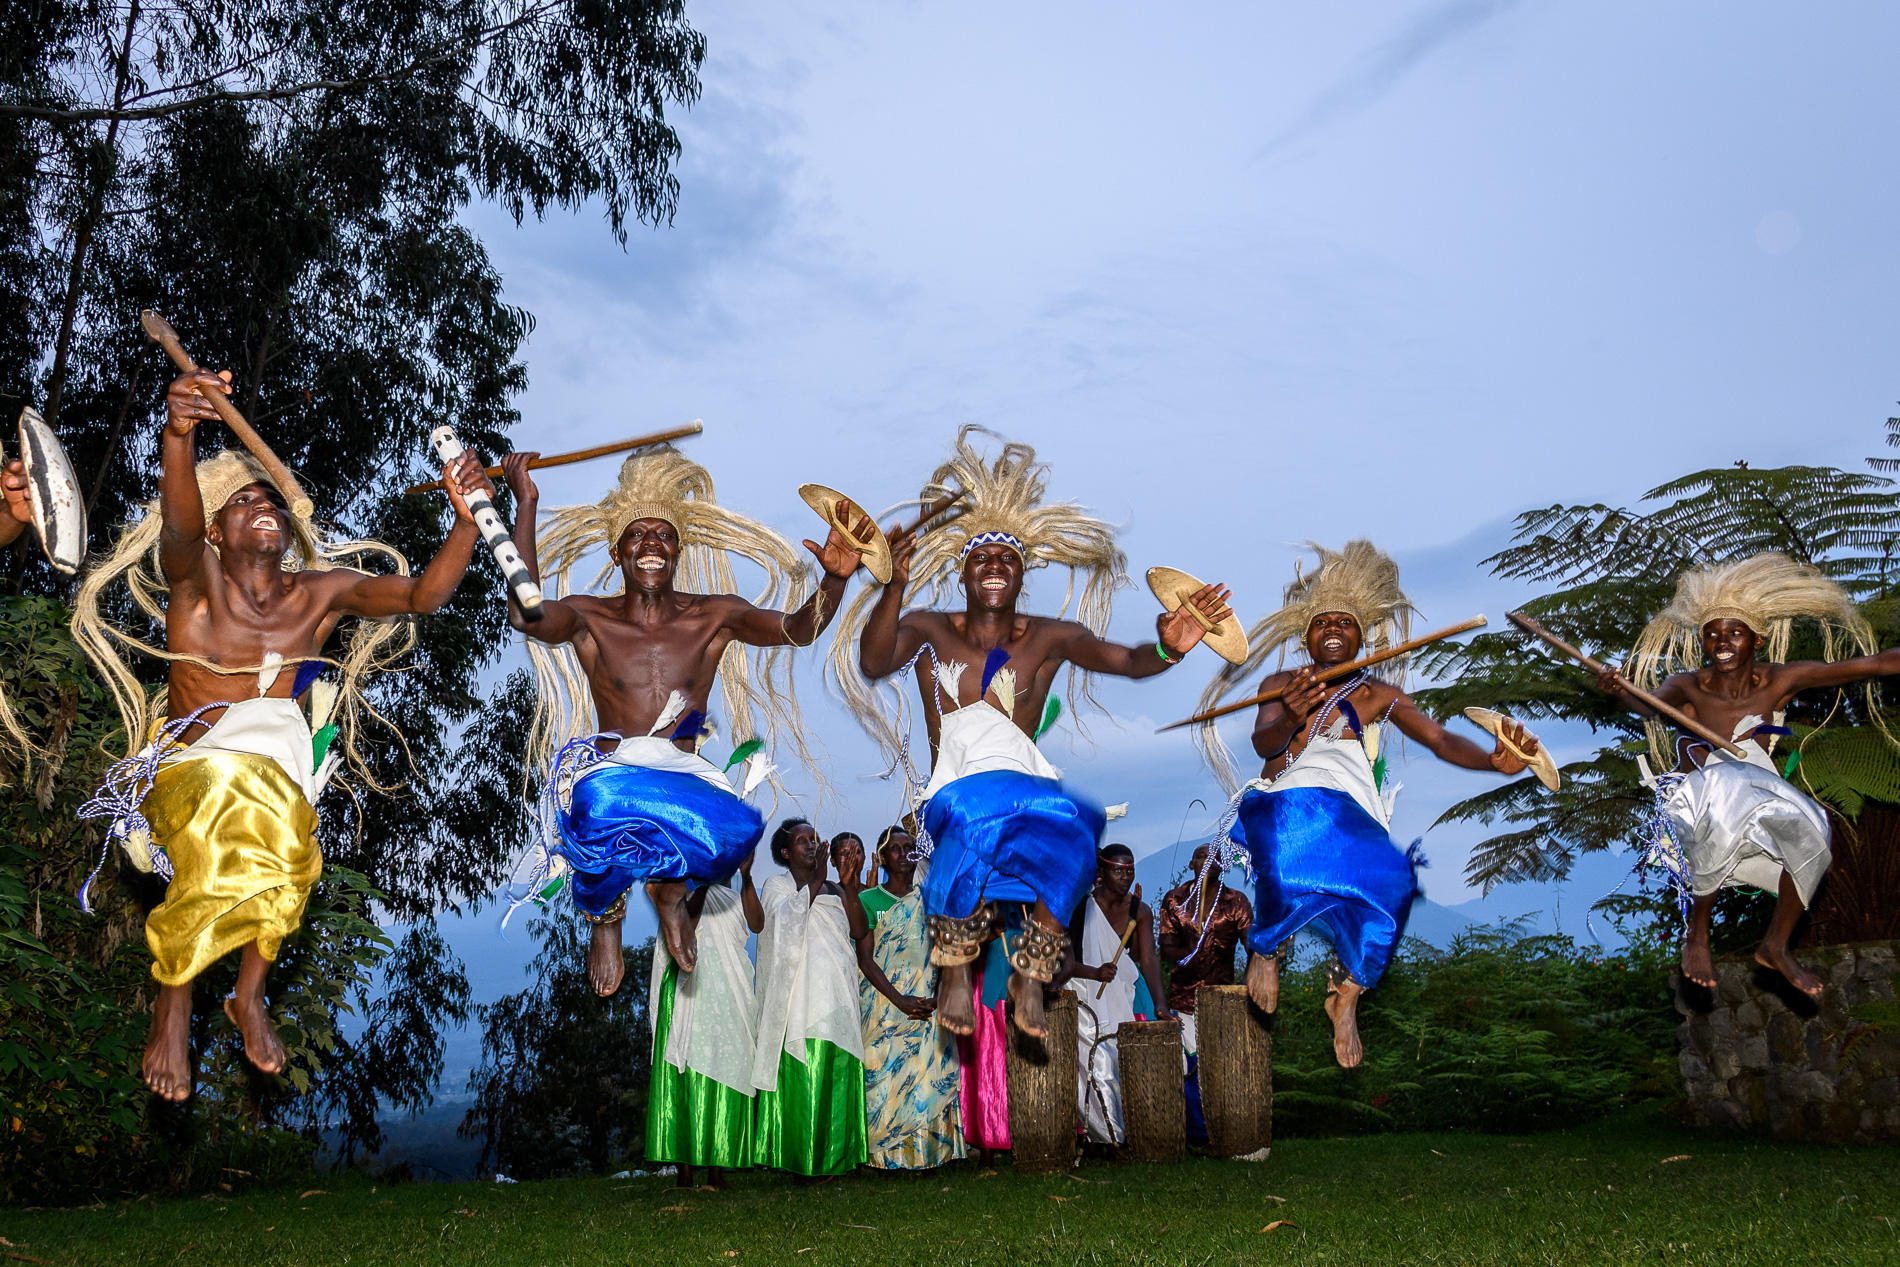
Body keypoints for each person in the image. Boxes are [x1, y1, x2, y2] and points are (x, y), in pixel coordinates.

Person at [74, 367, 489, 1101]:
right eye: (242, 501)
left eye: (270, 498)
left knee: (296, 862)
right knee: (239, 798)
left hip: (280, 785)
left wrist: (466, 517)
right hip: (192, 776)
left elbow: (424, 595)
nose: (261, 506)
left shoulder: (321, 592)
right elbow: (174, 524)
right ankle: (175, 992)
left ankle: (247, 993)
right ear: (217, 528)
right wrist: (178, 431)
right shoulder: (194, 578)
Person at [838, 427, 1231, 1038]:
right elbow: (873, 660)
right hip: (958, 792)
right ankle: (955, 976)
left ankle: (1031, 975)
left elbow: (1126, 660)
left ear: (1022, 575)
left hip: (1025, 793)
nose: (994, 566)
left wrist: (1170, 649)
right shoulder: (928, 627)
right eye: (981, 557)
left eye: (1007, 559)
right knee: (960, 853)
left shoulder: (1047, 638)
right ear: (963, 571)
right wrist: (892, 584)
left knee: (1080, 833)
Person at [498, 445, 877, 994]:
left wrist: (836, 582)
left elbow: (797, 629)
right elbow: (524, 611)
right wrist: (526, 502)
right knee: (595, 807)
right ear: (617, 550)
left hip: (684, 768)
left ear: (678, 550)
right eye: (638, 535)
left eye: (664, 535)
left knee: (739, 830)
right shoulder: (589, 615)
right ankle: (605, 916)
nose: (651, 544)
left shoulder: (714, 614)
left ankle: (671, 895)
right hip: (614, 769)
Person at [1193, 541, 1538, 1068]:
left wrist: (1494, 763)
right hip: (1287, 800)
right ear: (1305, 635)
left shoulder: (1379, 693)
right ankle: (1265, 948)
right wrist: (1289, 713)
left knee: (1397, 881)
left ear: (1361, 634)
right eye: (1321, 621)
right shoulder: (1282, 684)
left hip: (1350, 809)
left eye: (1345, 621)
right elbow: (1265, 745)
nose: (1333, 627)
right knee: (1286, 852)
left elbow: (1442, 741)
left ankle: (1348, 989)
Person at [1597, 553, 1900, 997]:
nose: (1722, 641)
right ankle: (1697, 936)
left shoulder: (1779, 680)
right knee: (1726, 783)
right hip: (1698, 795)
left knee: (1814, 826)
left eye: (1734, 632)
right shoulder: (1687, 686)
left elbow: (1871, 665)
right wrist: (1622, 691)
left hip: (1759, 792)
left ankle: (1776, 945)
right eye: (1713, 633)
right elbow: (1649, 703)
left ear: (1756, 640)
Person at [750, 819, 870, 1178]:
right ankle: (797, 1159)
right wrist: (817, 878)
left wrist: (848, 887)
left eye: (814, 839)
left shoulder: (835, 886)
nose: (811, 845)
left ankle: (836, 1161)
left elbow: (860, 930)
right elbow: (782, 922)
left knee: (833, 1074)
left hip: (835, 999)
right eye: (802, 841)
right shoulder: (775, 885)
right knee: (802, 1078)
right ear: (786, 853)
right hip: (796, 1004)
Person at [645, 850, 764, 1190]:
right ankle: (684, 1171)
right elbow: (687, 927)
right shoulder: (684, 895)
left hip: (730, 992)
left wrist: (747, 875)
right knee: (687, 1071)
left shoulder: (736, 891)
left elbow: (756, 924)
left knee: (726, 1069)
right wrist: (703, 886)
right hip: (693, 989)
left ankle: (716, 1170)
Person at [855, 824, 964, 1170]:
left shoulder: (930, 898)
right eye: (896, 850)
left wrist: (938, 993)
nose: (904, 855)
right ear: (882, 858)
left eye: (909, 848)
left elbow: (945, 949)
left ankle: (929, 1155)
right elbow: (864, 958)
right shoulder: (867, 901)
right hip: (883, 1004)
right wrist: (899, 999)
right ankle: (884, 1158)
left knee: (928, 1075)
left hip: (927, 1001)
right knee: (882, 1073)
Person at [1065, 844, 1171, 1145]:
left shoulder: (1140, 910)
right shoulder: (1080, 906)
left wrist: (1161, 1005)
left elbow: (1149, 959)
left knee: (1121, 1060)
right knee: (1099, 1064)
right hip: (1085, 995)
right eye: (1118, 870)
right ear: (1102, 872)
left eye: (1130, 870)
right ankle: (1108, 1135)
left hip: (1122, 995)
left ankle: (1128, 1131)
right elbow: (1067, 964)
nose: (1125, 876)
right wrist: (1094, 972)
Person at [1155, 843, 1251, 1143]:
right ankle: (1197, 1134)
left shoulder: (1236, 902)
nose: (1207, 861)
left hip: (1222, 999)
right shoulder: (1176, 900)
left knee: (1221, 1065)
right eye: (1200, 856)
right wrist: (1189, 947)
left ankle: (1223, 1130)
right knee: (1189, 1068)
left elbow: (1254, 949)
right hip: (1183, 999)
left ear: (1223, 867)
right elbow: (1166, 949)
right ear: (1191, 864)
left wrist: (1248, 991)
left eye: (1215, 858)